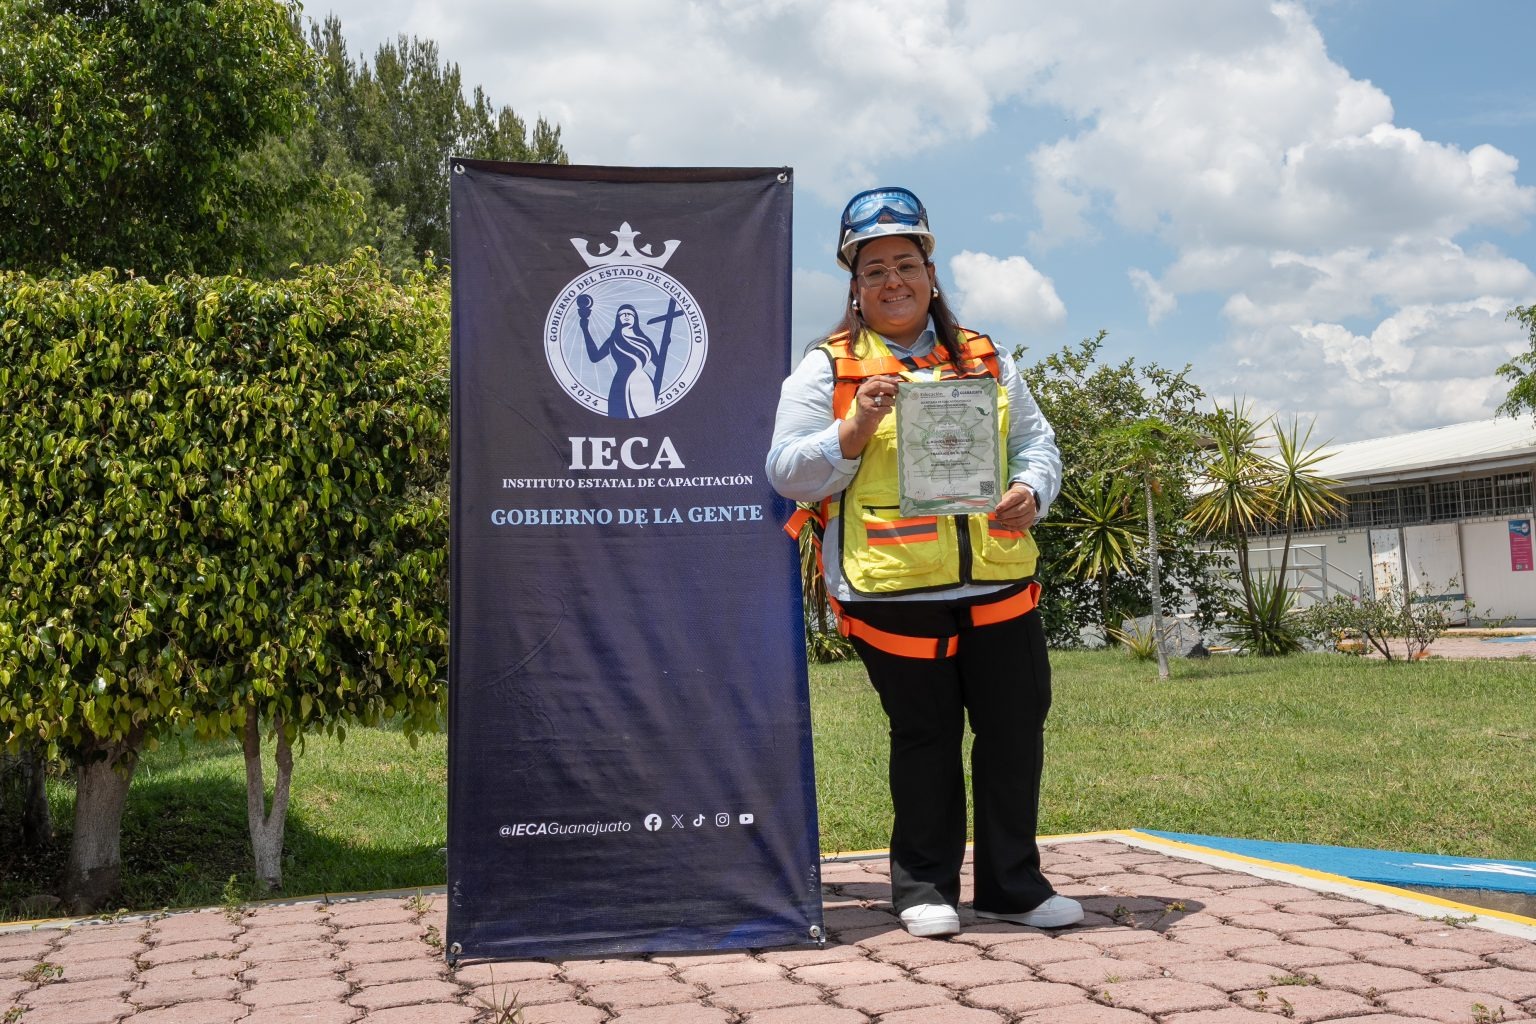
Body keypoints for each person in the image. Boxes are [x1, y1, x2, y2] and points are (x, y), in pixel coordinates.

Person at [767, 186, 1082, 938]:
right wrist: (851, 429)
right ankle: (923, 888)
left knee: (1014, 732)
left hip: (1000, 582)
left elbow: (1036, 443)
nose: (893, 281)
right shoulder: (827, 368)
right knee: (925, 738)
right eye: (873, 269)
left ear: (931, 274)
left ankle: (1013, 887)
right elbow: (786, 473)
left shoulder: (984, 357)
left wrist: (1031, 490)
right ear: (854, 285)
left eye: (905, 264)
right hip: (893, 590)